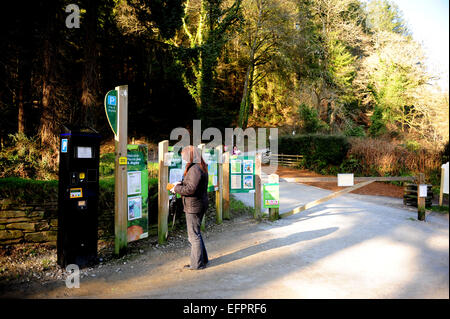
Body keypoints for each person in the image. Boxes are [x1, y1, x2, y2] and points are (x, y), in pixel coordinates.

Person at [169, 145, 209, 270]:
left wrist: (175, 188)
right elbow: (193, 184)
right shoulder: (200, 166)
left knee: (193, 236)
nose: (184, 159)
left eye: (185, 156)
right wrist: (180, 184)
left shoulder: (195, 169)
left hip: (194, 206)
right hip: (198, 203)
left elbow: (191, 189)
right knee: (196, 233)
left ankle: (197, 264)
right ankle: (203, 260)